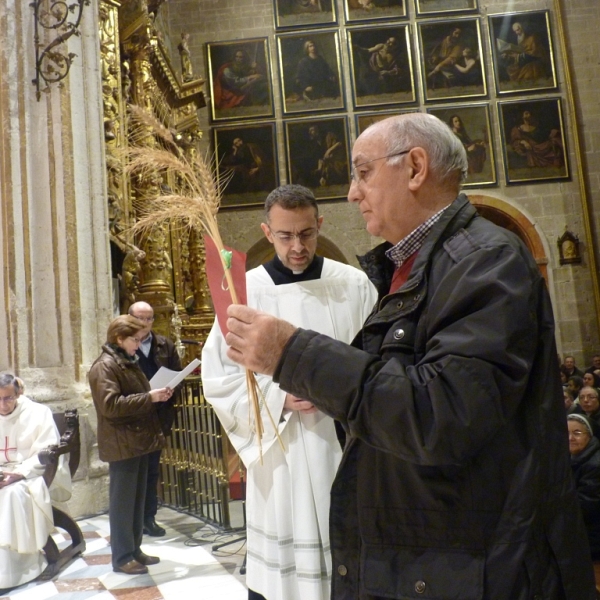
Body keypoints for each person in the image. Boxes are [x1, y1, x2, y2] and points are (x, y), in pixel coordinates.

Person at [223, 113, 596, 598]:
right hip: (431, 554)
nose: (353, 193)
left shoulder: (483, 261)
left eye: (362, 172)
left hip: (474, 561)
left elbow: (441, 413)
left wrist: (292, 353)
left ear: (415, 167)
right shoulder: (414, 265)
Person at [202, 184, 377, 600]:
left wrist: (340, 387)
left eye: (306, 233)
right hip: (283, 449)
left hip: (345, 438)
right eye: (285, 235)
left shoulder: (353, 284)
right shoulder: (245, 291)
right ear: (267, 231)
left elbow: (380, 356)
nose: (297, 246)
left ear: (319, 225)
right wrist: (279, 397)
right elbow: (220, 377)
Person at [89, 315, 173, 574]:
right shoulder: (104, 366)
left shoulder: (126, 361)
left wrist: (155, 396)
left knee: (137, 500)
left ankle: (135, 549)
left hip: (137, 440)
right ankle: (122, 556)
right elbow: (111, 406)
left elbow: (135, 395)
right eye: (134, 340)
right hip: (122, 443)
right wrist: (149, 397)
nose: (138, 345)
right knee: (123, 502)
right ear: (119, 338)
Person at [0, 373, 71, 590]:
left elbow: (46, 452)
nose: (2, 405)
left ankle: (19, 568)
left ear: (18, 393)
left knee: (11, 494)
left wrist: (19, 473)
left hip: (30, 475)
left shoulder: (38, 413)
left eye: (8, 398)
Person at [128, 301, 182, 537]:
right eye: (140, 318)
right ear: (129, 318)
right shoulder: (123, 346)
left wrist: (169, 392)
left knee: (151, 471)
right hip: (133, 416)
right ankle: (131, 520)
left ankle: (148, 518)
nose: (145, 323)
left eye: (149, 318)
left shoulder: (164, 344)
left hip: (158, 416)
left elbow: (177, 375)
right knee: (133, 473)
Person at [567, 414, 600, 594]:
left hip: (593, 538)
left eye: (577, 433)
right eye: (567, 433)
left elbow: (586, 505)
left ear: (589, 435)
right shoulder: (573, 457)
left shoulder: (595, 465)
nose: (571, 438)